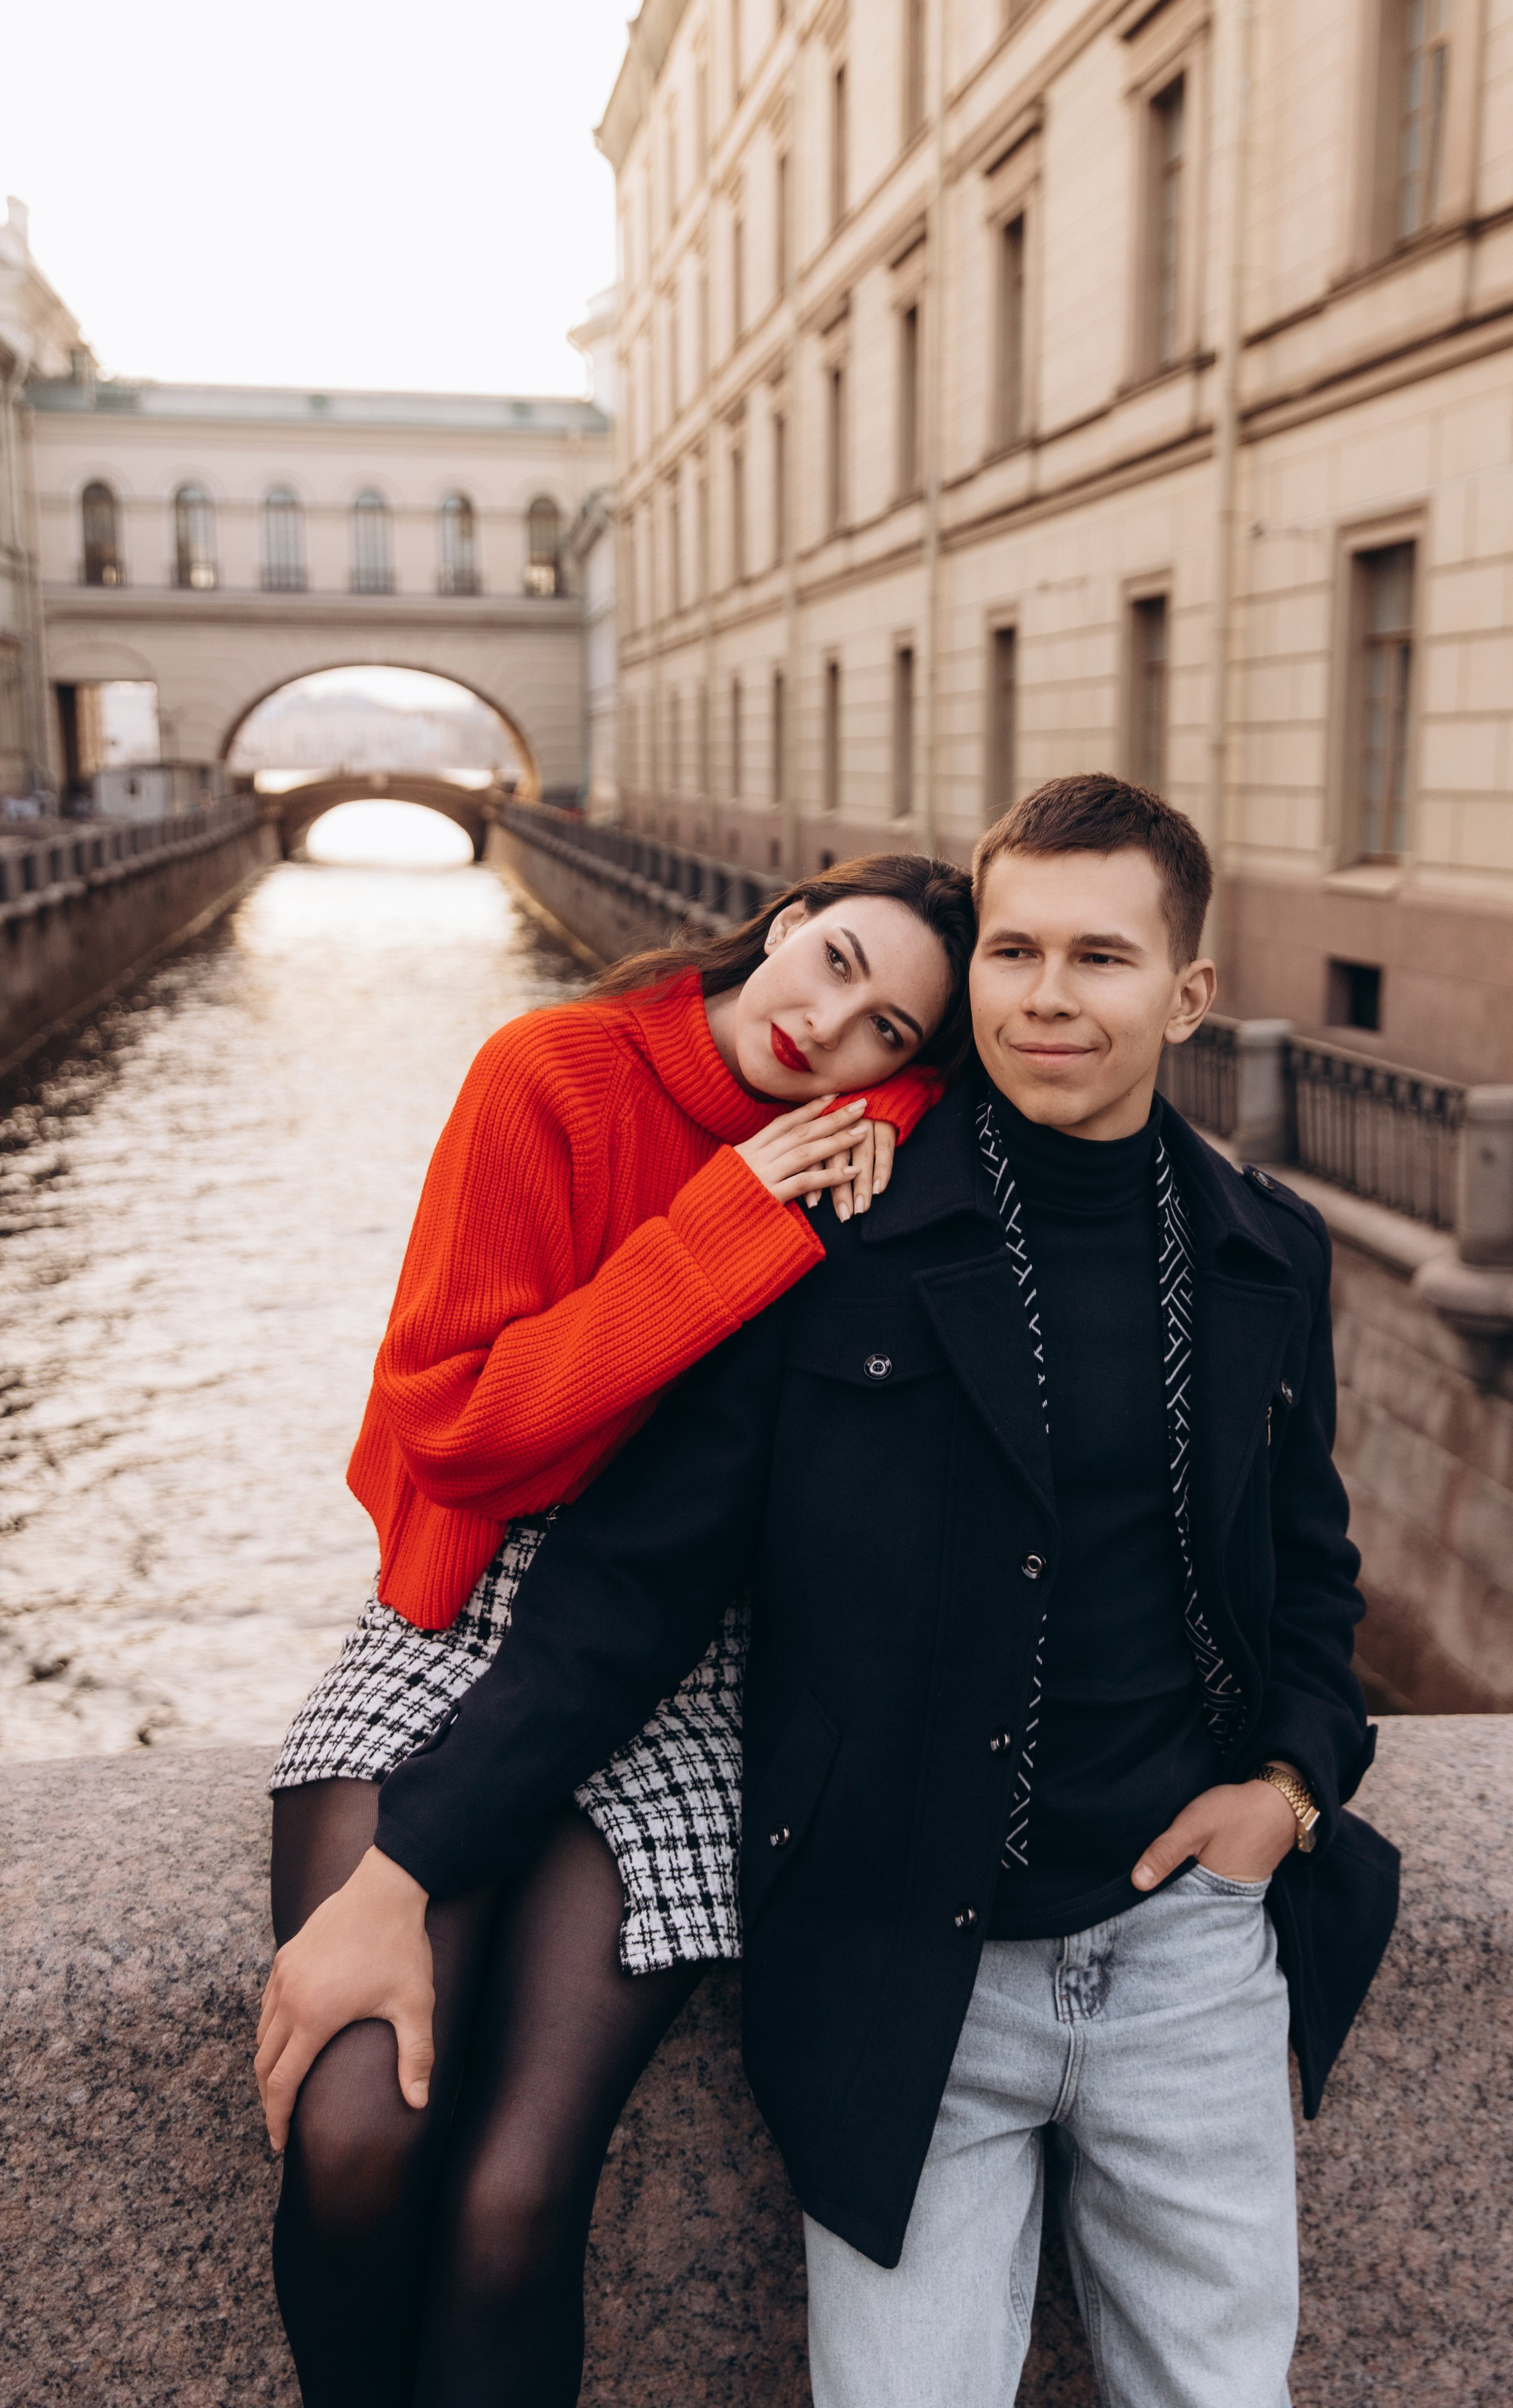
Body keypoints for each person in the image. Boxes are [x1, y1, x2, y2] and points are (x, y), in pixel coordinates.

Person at [261, 776, 1400, 2408]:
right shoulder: (825, 1241)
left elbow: (1307, 1568)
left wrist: (1284, 1789)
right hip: (912, 1966)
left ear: (1187, 994)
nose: (1047, 998)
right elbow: (624, 1593)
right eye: (1013, 954)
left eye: (1098, 958)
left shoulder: (1263, 1253)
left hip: (1189, 1955)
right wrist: (405, 1865)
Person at [263, 851, 976, 2407]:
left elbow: (959, 1117)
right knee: (356, 2133)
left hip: (688, 1660)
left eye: (889, 1034)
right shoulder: (554, 1076)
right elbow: (457, 1435)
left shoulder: (858, 1133)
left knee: (520, 2203)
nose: (832, 1027)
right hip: (463, 1605)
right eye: (836, 961)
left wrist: (890, 1116)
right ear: (786, 923)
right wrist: (727, 1220)